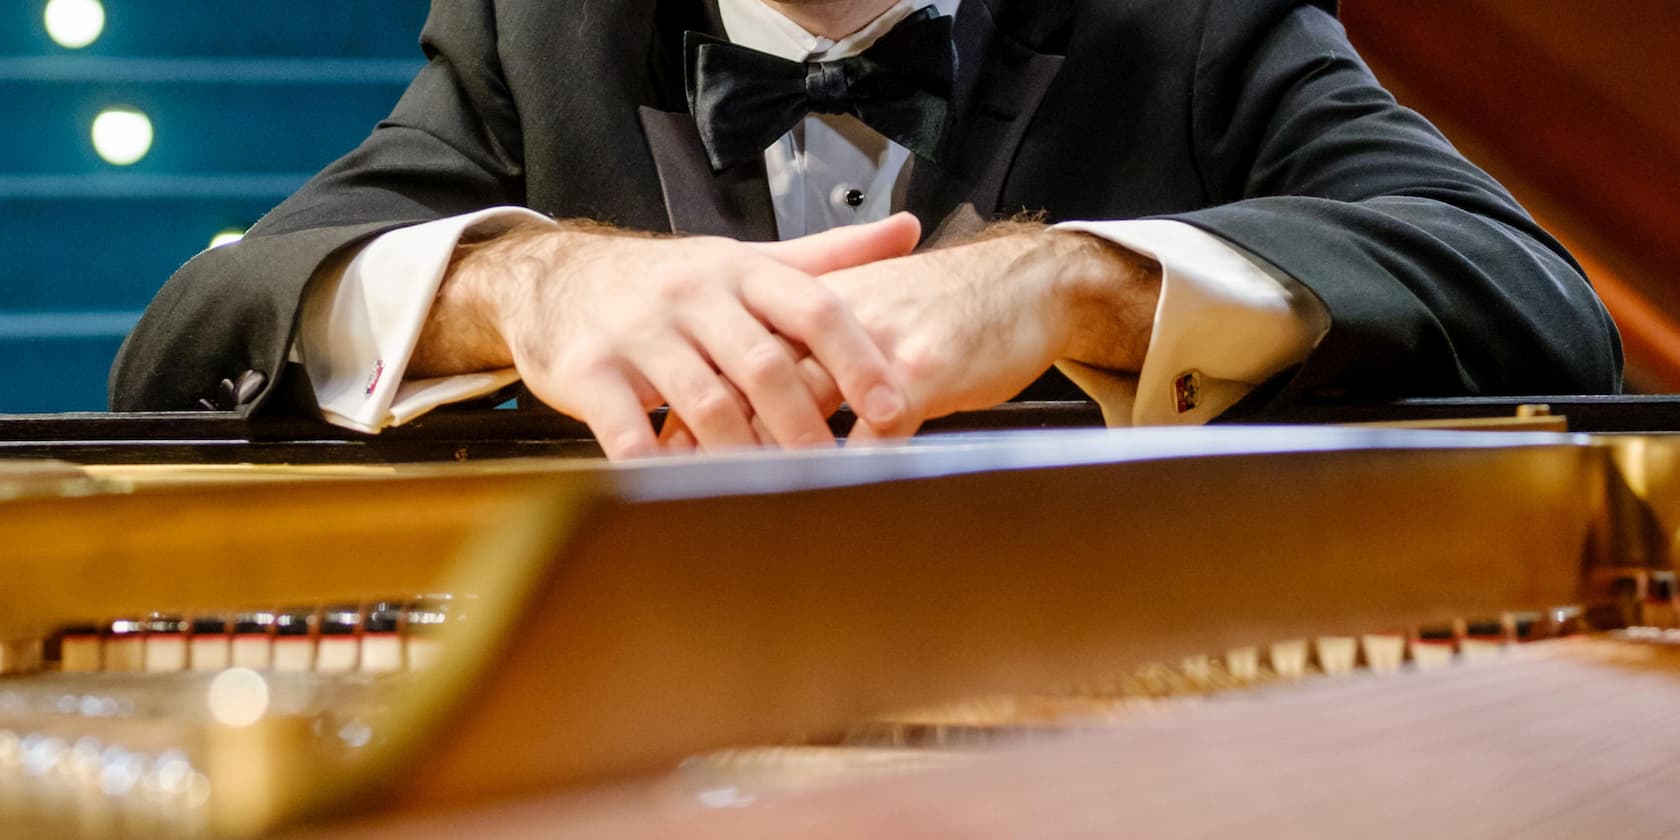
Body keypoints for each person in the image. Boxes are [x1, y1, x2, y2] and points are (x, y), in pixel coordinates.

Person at [110, 0, 1622, 459]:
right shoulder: (537, 30)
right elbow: (190, 338)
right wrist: (530, 285)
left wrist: (1075, 281)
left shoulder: (1194, 15)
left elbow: (1543, 305)